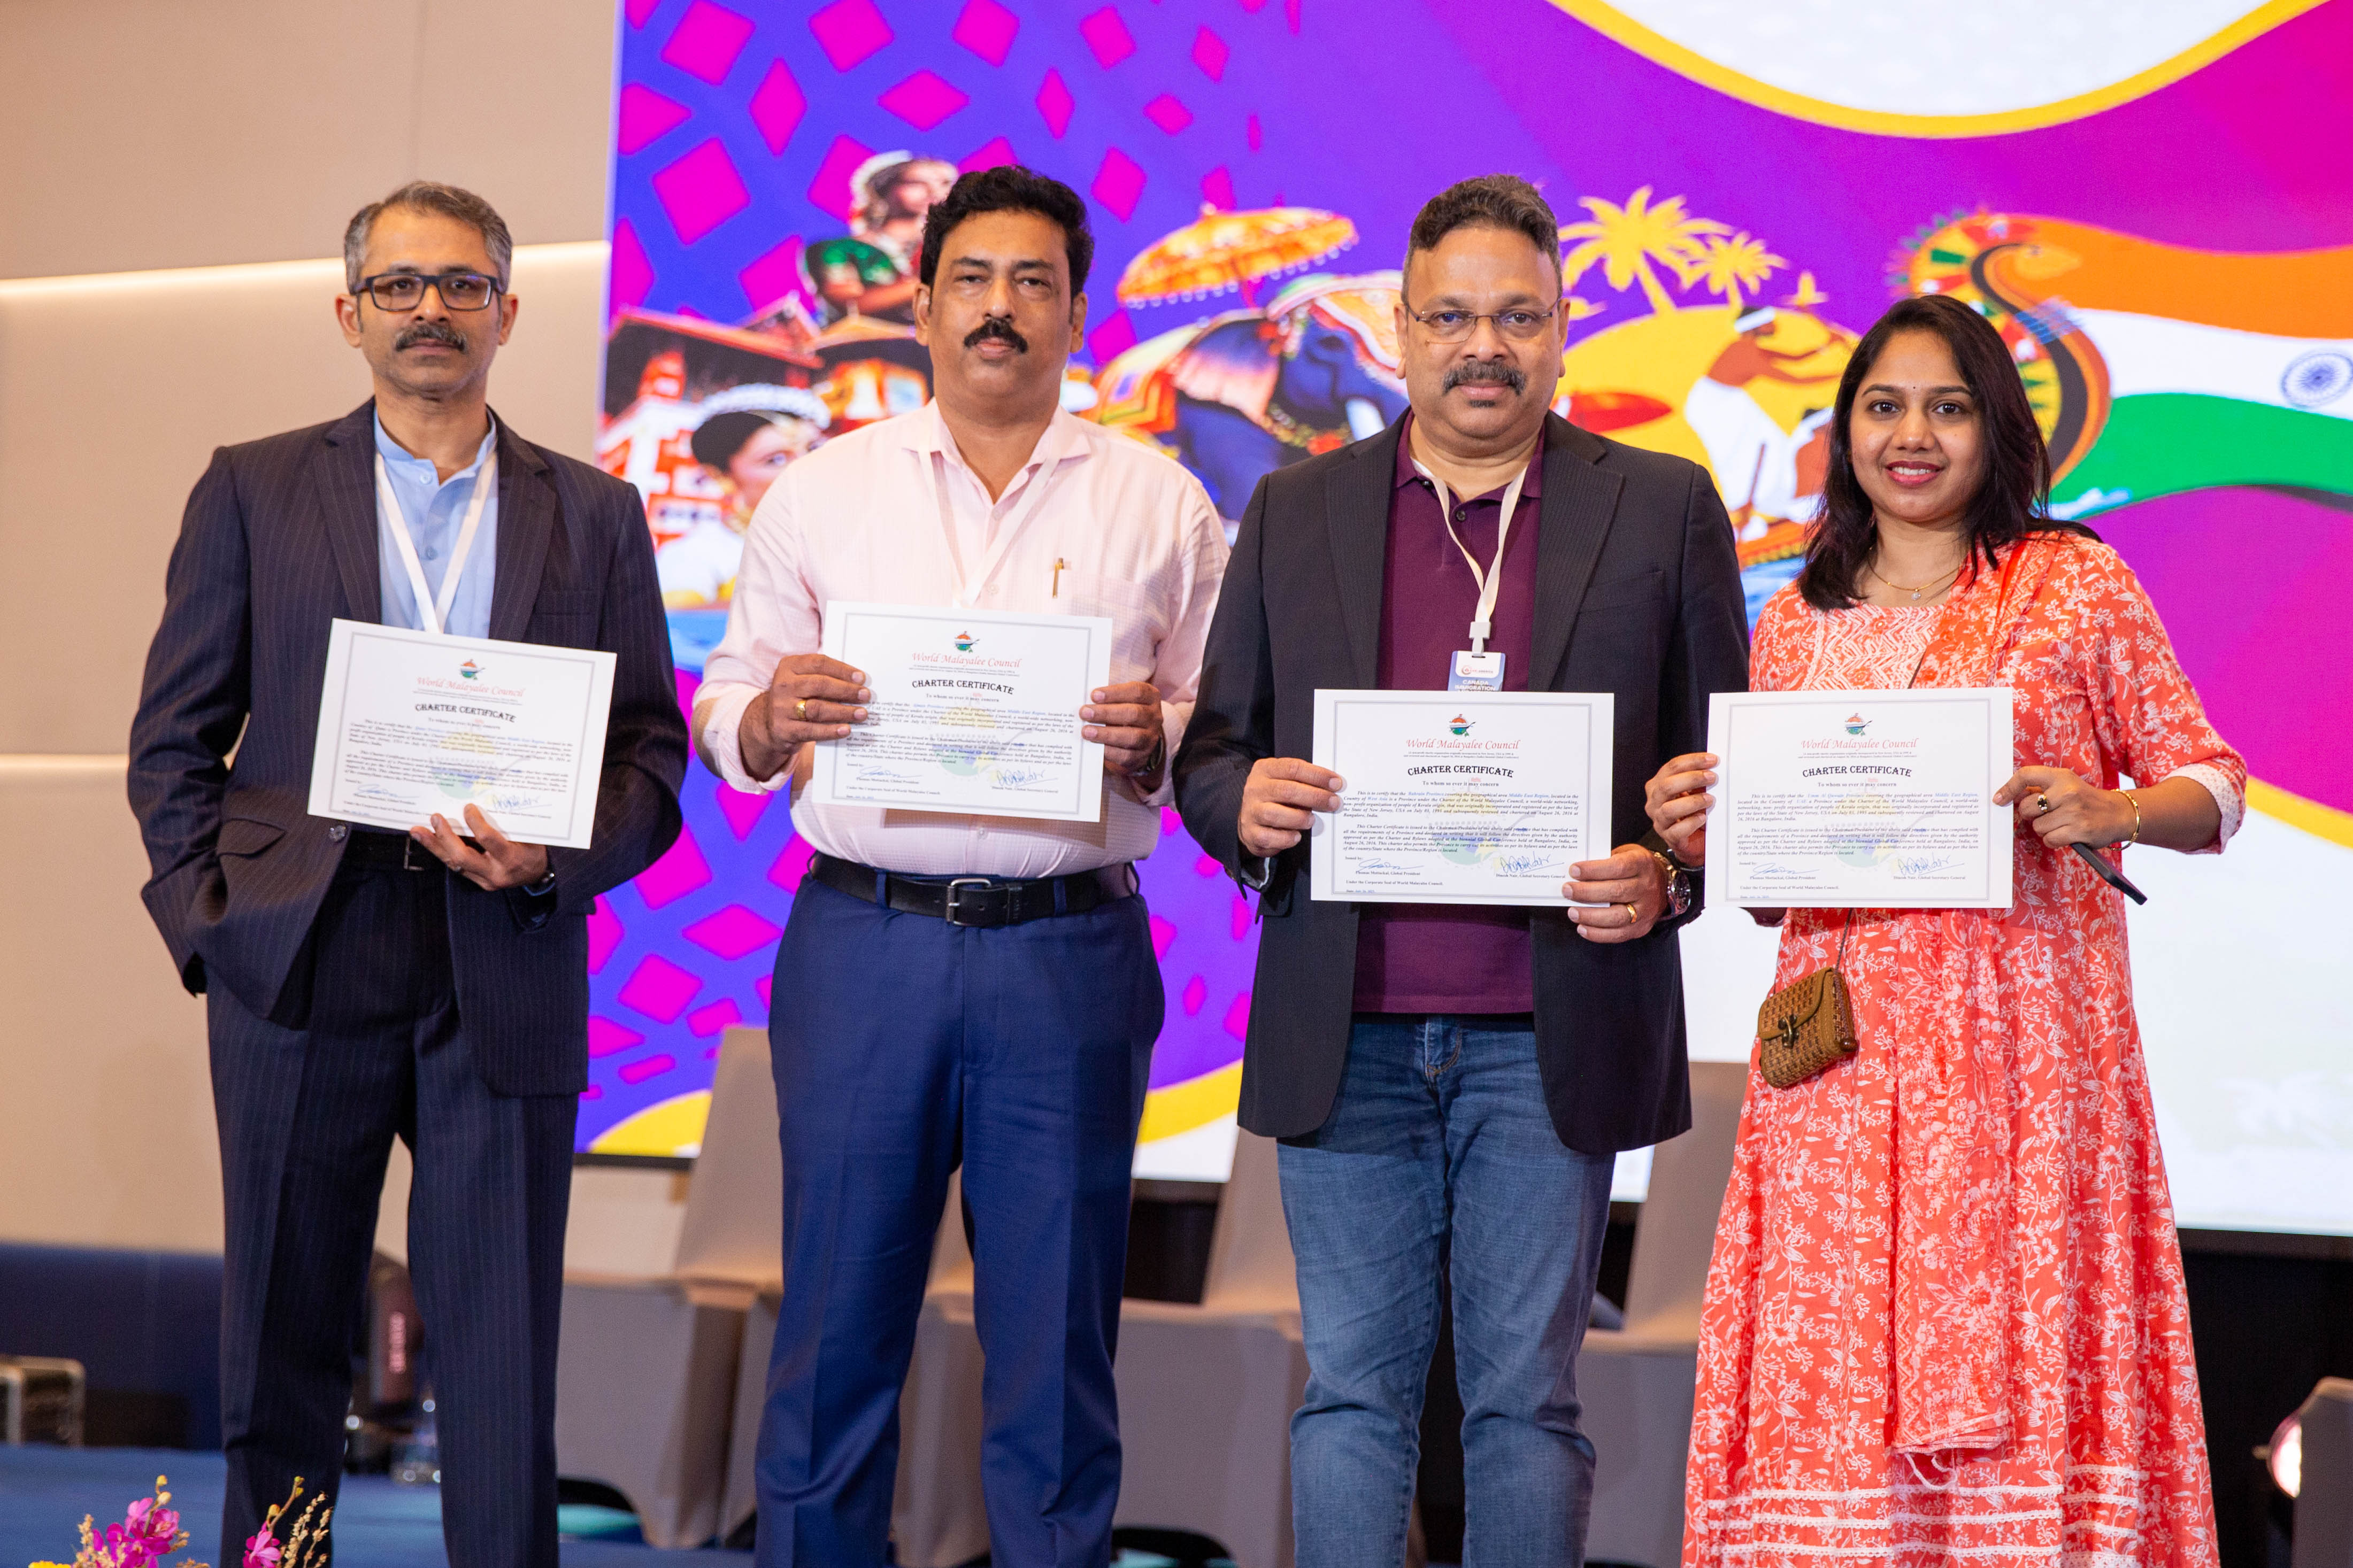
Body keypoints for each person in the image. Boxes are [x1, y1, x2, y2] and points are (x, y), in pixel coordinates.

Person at [1174, 174, 1750, 1567]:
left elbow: (1725, 771)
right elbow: (1215, 750)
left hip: (1550, 1035)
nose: (1483, 347)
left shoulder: (1661, 506)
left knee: (1526, 1403)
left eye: (1516, 317)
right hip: (1347, 1029)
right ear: (1398, 328)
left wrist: (1666, 871)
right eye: (1450, 317)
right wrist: (1241, 802)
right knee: (1351, 1396)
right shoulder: (1294, 506)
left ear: (1561, 327)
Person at [126, 181, 687, 1568]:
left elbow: (651, 753)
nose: (430, 309)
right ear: (349, 313)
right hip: (301, 951)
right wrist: (213, 924)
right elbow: (173, 739)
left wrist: (559, 854)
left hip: (505, 938)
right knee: (283, 1341)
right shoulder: (253, 486)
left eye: (460, 285)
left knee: (500, 1360)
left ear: (508, 310)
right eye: (398, 285)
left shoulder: (598, 512)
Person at [1646, 292, 2240, 1568]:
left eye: (1946, 407)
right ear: (1843, 429)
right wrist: (1710, 829)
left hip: (2023, 1067)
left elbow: (2212, 783)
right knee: (1836, 1363)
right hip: (1838, 1080)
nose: (1909, 436)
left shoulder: (2070, 584)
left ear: (1995, 428)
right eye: (1882, 406)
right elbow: (1778, 893)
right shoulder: (1792, 620)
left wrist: (2116, 808)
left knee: (2021, 1357)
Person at [692, 165, 1226, 1565]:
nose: (1000, 310)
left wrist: (1159, 738)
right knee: (833, 1334)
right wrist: (771, 715)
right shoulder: (822, 489)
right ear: (922, 302)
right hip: (864, 944)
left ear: (1076, 311)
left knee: (1056, 1347)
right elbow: (727, 706)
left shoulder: (1164, 506)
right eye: (973, 280)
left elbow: (1219, 723)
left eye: (1033, 282)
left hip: (1069, 952)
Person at [658, 385, 829, 607]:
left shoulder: (851, 537)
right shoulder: (695, 555)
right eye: (776, 460)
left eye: (814, 449)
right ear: (722, 477)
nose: (805, 466)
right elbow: (680, 625)